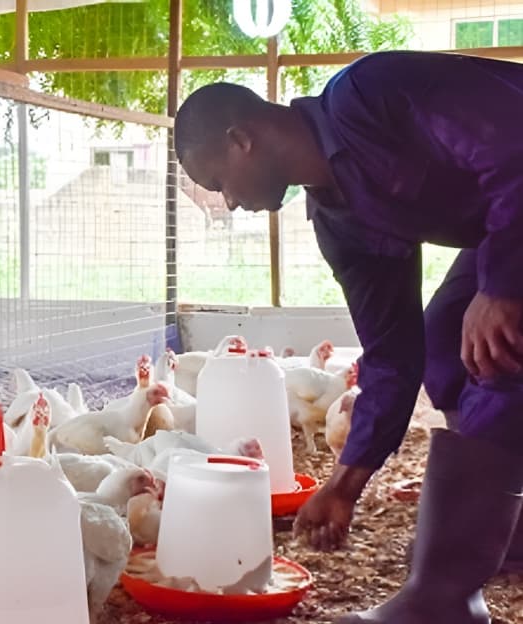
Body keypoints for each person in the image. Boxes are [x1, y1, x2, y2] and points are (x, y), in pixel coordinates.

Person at [172, 50, 523, 623]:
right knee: (442, 344)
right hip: (507, 226)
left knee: (503, 347)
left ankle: (443, 598)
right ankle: (499, 520)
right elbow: (391, 355)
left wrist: (506, 286)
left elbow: (515, 146)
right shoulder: (342, 221)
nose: (230, 202)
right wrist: (343, 484)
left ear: (241, 139)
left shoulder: (373, 94)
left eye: (219, 182)